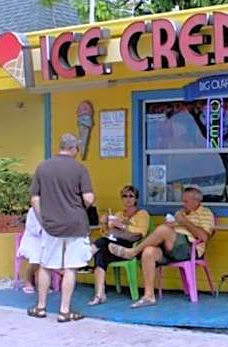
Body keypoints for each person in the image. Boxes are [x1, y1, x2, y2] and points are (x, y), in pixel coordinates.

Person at [27, 133, 95, 323]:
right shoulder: (80, 169)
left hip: (51, 225)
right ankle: (64, 311)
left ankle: (40, 307)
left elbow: (35, 198)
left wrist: (43, 219)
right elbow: (88, 198)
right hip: (76, 224)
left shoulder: (43, 167)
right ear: (74, 148)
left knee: (46, 265)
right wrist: (81, 207)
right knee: (71, 267)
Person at [109, 186, 214, 308]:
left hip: (189, 249)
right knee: (149, 252)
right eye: (183, 201)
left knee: (163, 230)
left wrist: (184, 222)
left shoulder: (205, 213)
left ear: (196, 201)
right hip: (170, 247)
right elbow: (169, 229)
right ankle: (149, 296)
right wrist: (171, 224)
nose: (183, 204)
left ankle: (133, 252)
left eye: (186, 201)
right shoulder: (181, 213)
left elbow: (204, 237)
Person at [87, 185, 150, 305]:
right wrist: (104, 223)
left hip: (129, 248)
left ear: (136, 198)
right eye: (125, 196)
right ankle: (100, 293)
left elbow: (141, 233)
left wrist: (121, 226)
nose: (128, 199)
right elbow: (108, 233)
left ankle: (86, 255)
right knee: (101, 251)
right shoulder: (119, 214)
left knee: (102, 244)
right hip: (112, 246)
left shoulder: (142, 214)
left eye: (131, 196)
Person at [16, 205, 43, 294]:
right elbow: (32, 228)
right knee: (36, 259)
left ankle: (42, 283)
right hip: (32, 240)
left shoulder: (54, 208)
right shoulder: (33, 210)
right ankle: (28, 280)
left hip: (47, 240)